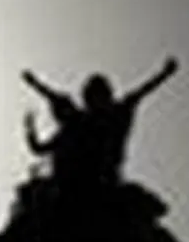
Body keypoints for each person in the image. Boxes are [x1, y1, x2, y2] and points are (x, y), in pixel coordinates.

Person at [21, 58, 178, 191]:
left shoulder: (115, 115)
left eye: (99, 94)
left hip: (104, 182)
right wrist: (30, 128)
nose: (95, 101)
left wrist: (164, 74)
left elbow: (140, 93)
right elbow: (39, 148)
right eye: (91, 95)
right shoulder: (74, 126)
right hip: (68, 184)